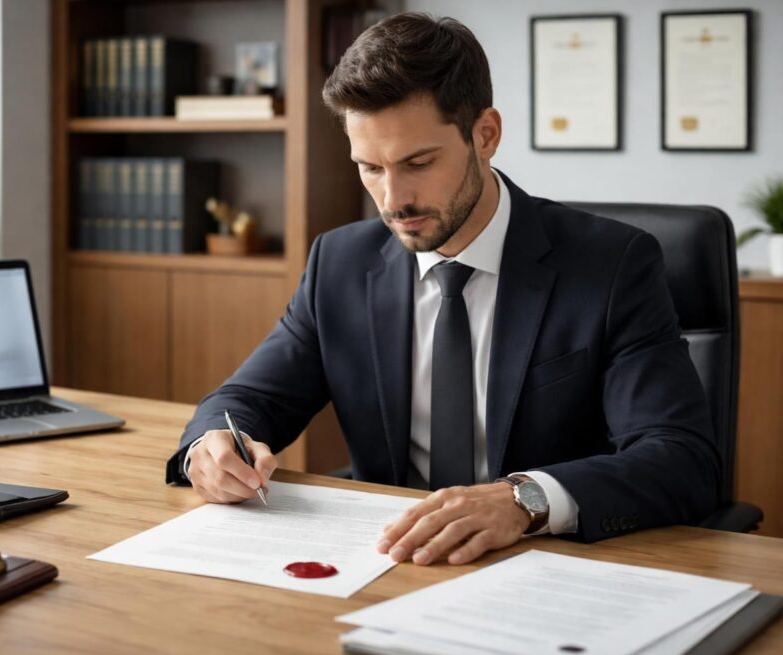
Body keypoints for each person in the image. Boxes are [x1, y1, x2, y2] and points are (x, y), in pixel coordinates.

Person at [165, 13, 719, 566]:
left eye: (418, 163)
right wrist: (210, 448)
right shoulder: (340, 262)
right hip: (386, 561)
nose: (392, 200)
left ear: (485, 135)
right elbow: (248, 400)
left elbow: (679, 458)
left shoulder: (612, 264)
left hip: (545, 564)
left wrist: (524, 500)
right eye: (370, 168)